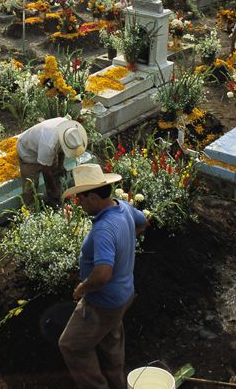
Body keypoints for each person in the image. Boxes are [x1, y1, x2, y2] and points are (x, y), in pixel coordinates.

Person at [58, 163, 148, 389]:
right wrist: (124, 244)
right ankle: (118, 384)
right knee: (110, 339)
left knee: (71, 345)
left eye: (80, 198)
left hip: (103, 302)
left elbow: (102, 274)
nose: (79, 203)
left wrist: (82, 289)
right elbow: (143, 223)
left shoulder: (104, 229)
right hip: (124, 295)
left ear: (92, 198)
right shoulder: (123, 207)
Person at [16, 118, 87, 207]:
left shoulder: (69, 131)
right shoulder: (49, 144)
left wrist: (60, 166)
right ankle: (31, 209)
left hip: (44, 147)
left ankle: (55, 202)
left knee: (56, 174)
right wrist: (53, 190)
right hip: (28, 151)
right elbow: (45, 169)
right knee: (30, 185)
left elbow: (62, 149)